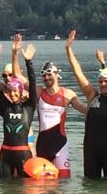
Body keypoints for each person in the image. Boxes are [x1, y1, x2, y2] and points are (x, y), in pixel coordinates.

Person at [10, 37, 86, 177]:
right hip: (43, 145)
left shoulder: (68, 94)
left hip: (61, 146)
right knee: (42, 186)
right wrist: (15, 52)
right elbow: (17, 75)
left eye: (49, 74)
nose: (46, 78)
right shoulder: (39, 93)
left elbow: (85, 110)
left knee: (63, 182)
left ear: (57, 75)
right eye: (43, 76)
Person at [64, 30, 107, 179]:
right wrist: (68, 49)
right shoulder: (93, 96)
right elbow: (78, 73)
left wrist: (103, 63)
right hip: (91, 151)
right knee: (90, 188)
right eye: (100, 81)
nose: (102, 84)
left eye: (106, 81)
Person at [0, 41, 37, 177]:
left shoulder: (29, 107)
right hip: (5, 155)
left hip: (23, 154)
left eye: (16, 91)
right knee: (5, 192)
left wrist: (29, 62)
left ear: (21, 92)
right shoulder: (6, 107)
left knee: (23, 192)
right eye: (10, 91)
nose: (13, 94)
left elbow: (33, 83)